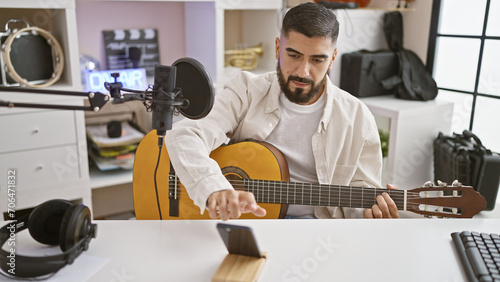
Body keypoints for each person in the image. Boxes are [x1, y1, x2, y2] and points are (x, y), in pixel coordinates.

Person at [165, 2, 399, 220]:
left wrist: (371, 214)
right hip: (244, 221)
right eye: (294, 55)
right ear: (278, 48)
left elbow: (360, 203)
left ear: (332, 59)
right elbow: (184, 135)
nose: (303, 71)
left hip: (315, 231)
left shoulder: (357, 118)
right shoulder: (246, 90)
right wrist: (214, 187)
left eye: (317, 60)